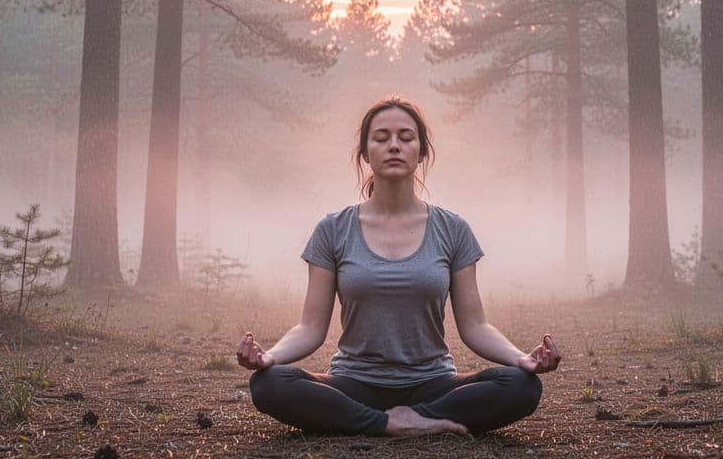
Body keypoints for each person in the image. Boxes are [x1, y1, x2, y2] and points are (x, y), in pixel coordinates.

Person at [237, 96, 562, 437]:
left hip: (433, 382)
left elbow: (475, 326)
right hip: (353, 382)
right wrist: (270, 357)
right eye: (381, 137)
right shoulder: (333, 230)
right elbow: (310, 328)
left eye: (406, 137)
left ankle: (404, 418)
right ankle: (391, 423)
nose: (394, 145)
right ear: (365, 153)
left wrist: (521, 359)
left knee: (521, 385)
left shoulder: (453, 229)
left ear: (421, 152)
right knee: (269, 383)